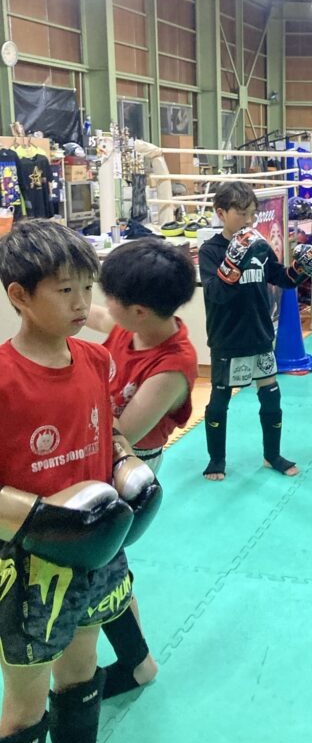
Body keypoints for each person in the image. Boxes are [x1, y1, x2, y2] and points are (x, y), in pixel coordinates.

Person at [0, 219, 156, 743]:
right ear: (19, 296)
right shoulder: (3, 378)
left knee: (83, 665)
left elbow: (105, 428)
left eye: (87, 288)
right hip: (29, 565)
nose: (81, 303)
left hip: (98, 550)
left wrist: (127, 464)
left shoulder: (94, 358)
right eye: (65, 290)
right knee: (24, 701)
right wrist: (45, 515)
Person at [85, 238, 198, 700]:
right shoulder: (131, 327)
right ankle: (138, 663)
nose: (102, 303)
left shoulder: (172, 366)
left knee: (103, 565)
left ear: (137, 311)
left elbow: (122, 435)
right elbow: (92, 317)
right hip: (99, 456)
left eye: (109, 297)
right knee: (103, 565)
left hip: (128, 469)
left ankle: (138, 664)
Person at [199, 181, 312, 481]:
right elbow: (215, 293)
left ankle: (272, 455)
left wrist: (301, 270)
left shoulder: (259, 245)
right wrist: (233, 262)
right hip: (227, 336)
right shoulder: (211, 251)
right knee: (220, 401)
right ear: (221, 213)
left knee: (270, 396)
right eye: (241, 214)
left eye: (252, 214)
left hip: (260, 333)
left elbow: (281, 278)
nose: (248, 220)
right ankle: (216, 460)